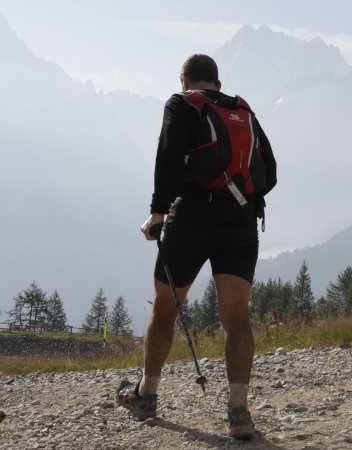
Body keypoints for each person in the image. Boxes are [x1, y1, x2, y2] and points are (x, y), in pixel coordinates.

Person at [116, 54, 277, 438]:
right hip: (240, 223)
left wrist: (158, 213)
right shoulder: (243, 110)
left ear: (185, 79)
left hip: (191, 219)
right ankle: (239, 411)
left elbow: (168, 156)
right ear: (217, 83)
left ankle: (146, 395)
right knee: (236, 317)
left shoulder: (181, 104)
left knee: (166, 307)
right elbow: (269, 172)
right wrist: (240, 199)